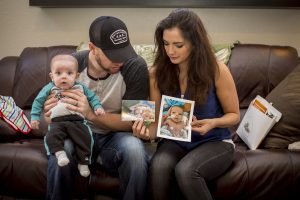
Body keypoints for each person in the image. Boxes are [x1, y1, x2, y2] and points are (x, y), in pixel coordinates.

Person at [132, 8, 240, 200]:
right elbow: (155, 122)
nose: (170, 51)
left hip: (214, 142)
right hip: (175, 141)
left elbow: (234, 115)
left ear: (194, 43)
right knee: (158, 167)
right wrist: (144, 131)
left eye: (178, 45)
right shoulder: (156, 73)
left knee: (186, 170)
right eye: (165, 44)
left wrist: (212, 123)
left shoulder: (217, 70)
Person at [44, 16, 150, 200]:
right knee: (60, 148)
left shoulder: (136, 66)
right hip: (77, 133)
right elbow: (49, 118)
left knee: (135, 150)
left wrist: (91, 115)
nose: (120, 61)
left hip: (115, 138)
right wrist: (50, 114)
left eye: (123, 53)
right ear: (92, 48)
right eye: (112, 55)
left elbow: (136, 122)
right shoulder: (71, 67)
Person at [31, 54, 105, 177]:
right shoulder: (49, 88)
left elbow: (92, 98)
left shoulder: (80, 87)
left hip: (77, 121)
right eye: (58, 73)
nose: (64, 77)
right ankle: (59, 153)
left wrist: (98, 107)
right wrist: (34, 117)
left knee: (85, 138)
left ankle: (83, 162)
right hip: (57, 122)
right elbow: (38, 102)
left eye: (69, 73)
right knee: (51, 136)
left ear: (77, 76)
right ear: (51, 76)